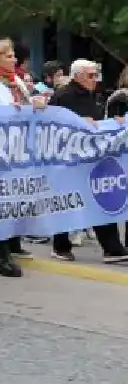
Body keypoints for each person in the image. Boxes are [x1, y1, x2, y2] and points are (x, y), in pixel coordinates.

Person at [0, 38, 47, 276]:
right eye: (8, 56)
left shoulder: (15, 80)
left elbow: (26, 105)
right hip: (0, 151)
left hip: (19, 150)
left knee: (13, 203)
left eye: (14, 56)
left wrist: (35, 103)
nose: (14, 60)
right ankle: (0, 253)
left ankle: (5, 246)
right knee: (0, 204)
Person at [57, 60, 128, 263]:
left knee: (100, 198)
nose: (95, 80)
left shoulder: (90, 95)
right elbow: (54, 124)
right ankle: (60, 245)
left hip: (91, 157)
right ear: (77, 75)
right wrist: (79, 122)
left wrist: (114, 122)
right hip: (71, 160)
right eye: (91, 76)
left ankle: (112, 247)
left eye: (96, 75)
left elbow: (98, 122)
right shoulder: (64, 95)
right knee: (67, 202)